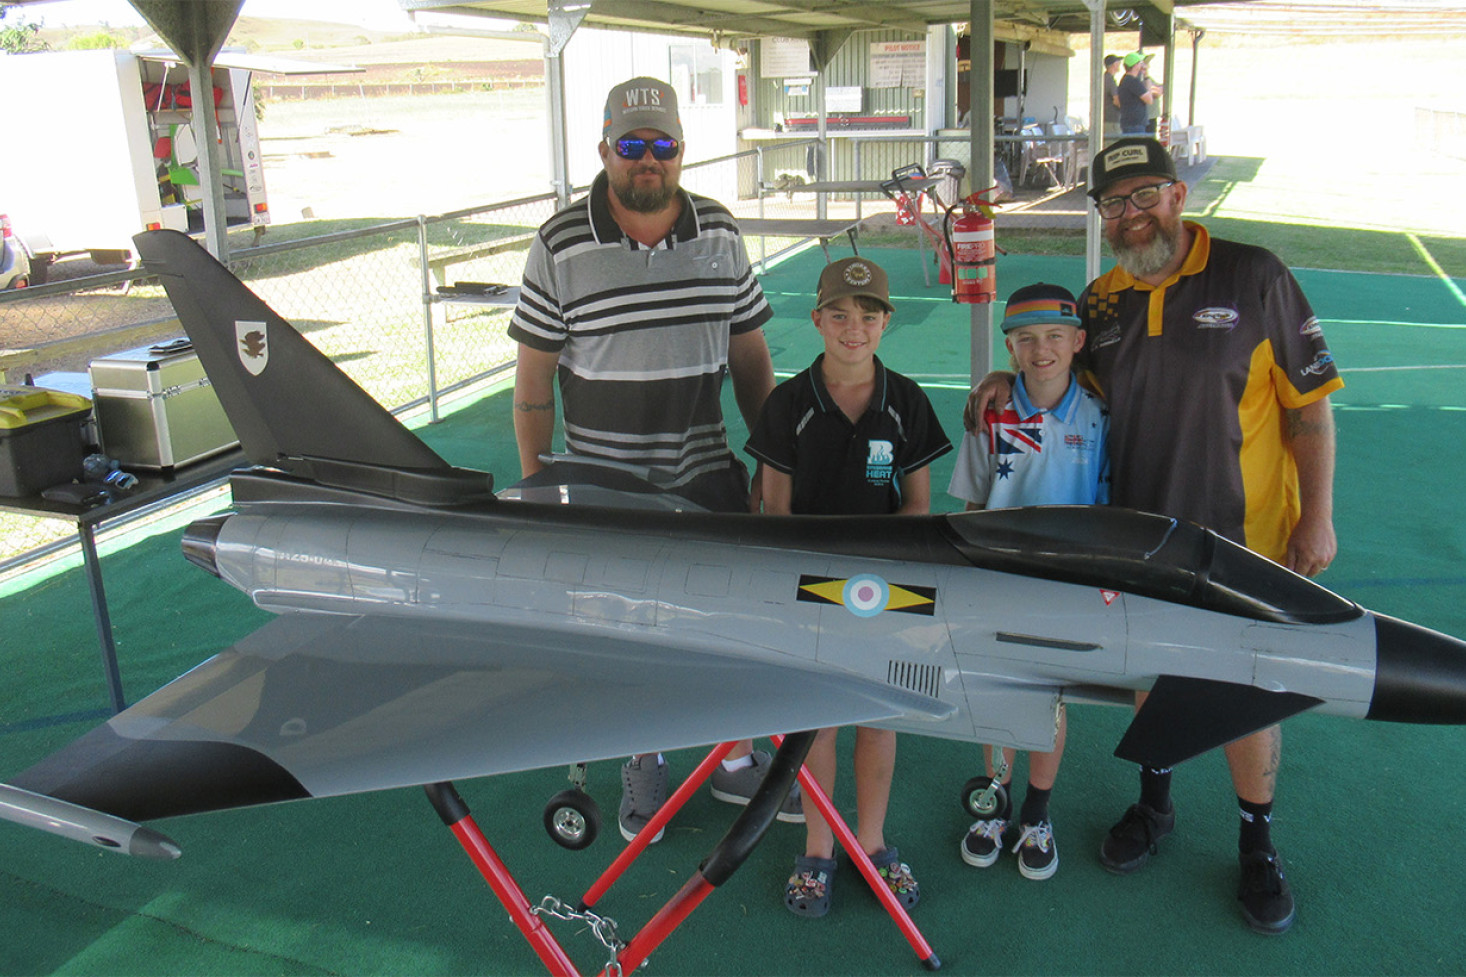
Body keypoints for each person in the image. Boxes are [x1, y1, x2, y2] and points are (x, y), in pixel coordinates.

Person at [964, 137, 1342, 934]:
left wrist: (1318, 514)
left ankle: (1257, 842)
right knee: (1153, 680)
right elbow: (1062, 376)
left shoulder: (1255, 273)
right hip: (1140, 539)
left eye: (1143, 198)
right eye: (1113, 204)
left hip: (1247, 539)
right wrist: (1006, 379)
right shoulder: (1101, 300)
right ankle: (1155, 805)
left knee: (1248, 694)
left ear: (1177, 195)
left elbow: (1308, 405)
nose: (1130, 218)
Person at [508, 76, 800, 844]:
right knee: (627, 630)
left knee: (728, 618)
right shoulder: (560, 244)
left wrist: (771, 468)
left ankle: (733, 751)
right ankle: (645, 755)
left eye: (661, 145)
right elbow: (533, 380)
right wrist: (539, 485)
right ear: (604, 150)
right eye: (630, 146)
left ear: (680, 151)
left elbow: (752, 363)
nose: (647, 161)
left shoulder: (723, 234)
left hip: (706, 473)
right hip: (605, 485)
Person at [746, 256, 951, 917]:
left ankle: (871, 840)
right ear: (817, 320)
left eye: (867, 316)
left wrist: (883, 577)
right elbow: (773, 511)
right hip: (808, 592)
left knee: (877, 717)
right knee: (817, 727)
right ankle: (818, 847)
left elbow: (918, 507)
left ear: (887, 322)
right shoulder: (788, 404)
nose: (853, 328)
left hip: (884, 593)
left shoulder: (908, 401)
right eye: (839, 315)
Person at [947, 282, 1110, 882]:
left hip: (1067, 586)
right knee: (996, 692)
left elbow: (1108, 508)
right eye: (1025, 339)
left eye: (1054, 337)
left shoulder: (1099, 416)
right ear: (1009, 346)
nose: (1041, 350)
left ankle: (1037, 815)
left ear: (1077, 343)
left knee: (1049, 699)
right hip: (997, 580)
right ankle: (996, 803)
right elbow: (969, 506)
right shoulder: (988, 411)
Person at [1117, 53, 1158, 136]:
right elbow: (1149, 100)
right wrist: (1146, 76)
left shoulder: (1127, 80)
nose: (1142, 65)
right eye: (1140, 63)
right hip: (1135, 125)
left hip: (1131, 124)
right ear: (1136, 66)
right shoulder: (1133, 81)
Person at [1102, 54, 1123, 139]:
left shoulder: (1105, 78)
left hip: (1107, 120)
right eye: (1118, 62)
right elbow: (1116, 100)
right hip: (1111, 121)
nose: (1120, 64)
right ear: (1114, 65)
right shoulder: (1109, 80)